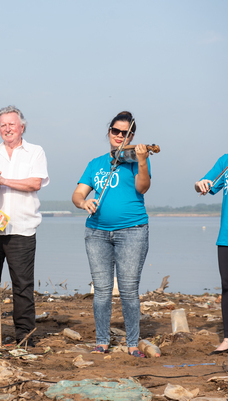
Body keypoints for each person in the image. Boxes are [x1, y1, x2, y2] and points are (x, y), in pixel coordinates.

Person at [71, 111, 150, 357]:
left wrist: (143, 159)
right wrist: (84, 203)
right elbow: (77, 194)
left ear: (132, 136)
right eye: (115, 131)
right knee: (102, 290)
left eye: (125, 133)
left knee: (128, 290)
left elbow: (142, 187)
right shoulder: (95, 163)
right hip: (96, 233)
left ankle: (133, 343)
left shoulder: (136, 159)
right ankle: (102, 341)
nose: (119, 136)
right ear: (109, 132)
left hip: (132, 231)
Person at [0, 105, 49, 346]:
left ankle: (24, 337)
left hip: (21, 229)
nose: (7, 129)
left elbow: (35, 183)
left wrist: (2, 180)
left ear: (21, 127)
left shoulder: (35, 152)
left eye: (11, 124)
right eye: (3, 125)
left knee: (22, 286)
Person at [195, 156, 228, 355]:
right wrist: (200, 185)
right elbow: (202, 186)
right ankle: (227, 339)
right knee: (227, 286)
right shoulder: (225, 160)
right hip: (226, 235)